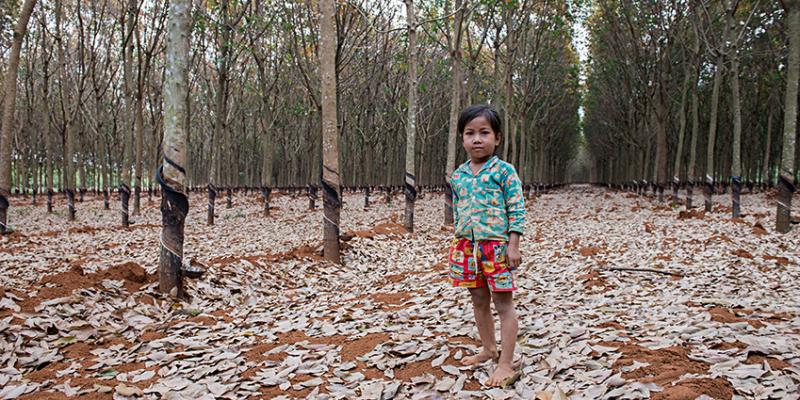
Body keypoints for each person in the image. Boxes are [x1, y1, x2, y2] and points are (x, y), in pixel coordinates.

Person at [448, 104, 524, 387]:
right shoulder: (458, 175)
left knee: (504, 303)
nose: (477, 139)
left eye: (484, 132)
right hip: (467, 247)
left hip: (496, 247)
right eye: (470, 133)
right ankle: (489, 349)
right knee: (478, 300)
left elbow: (516, 209)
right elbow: (458, 210)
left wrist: (513, 244)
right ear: (462, 138)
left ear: (497, 138)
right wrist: (459, 244)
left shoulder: (504, 172)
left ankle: (505, 363)